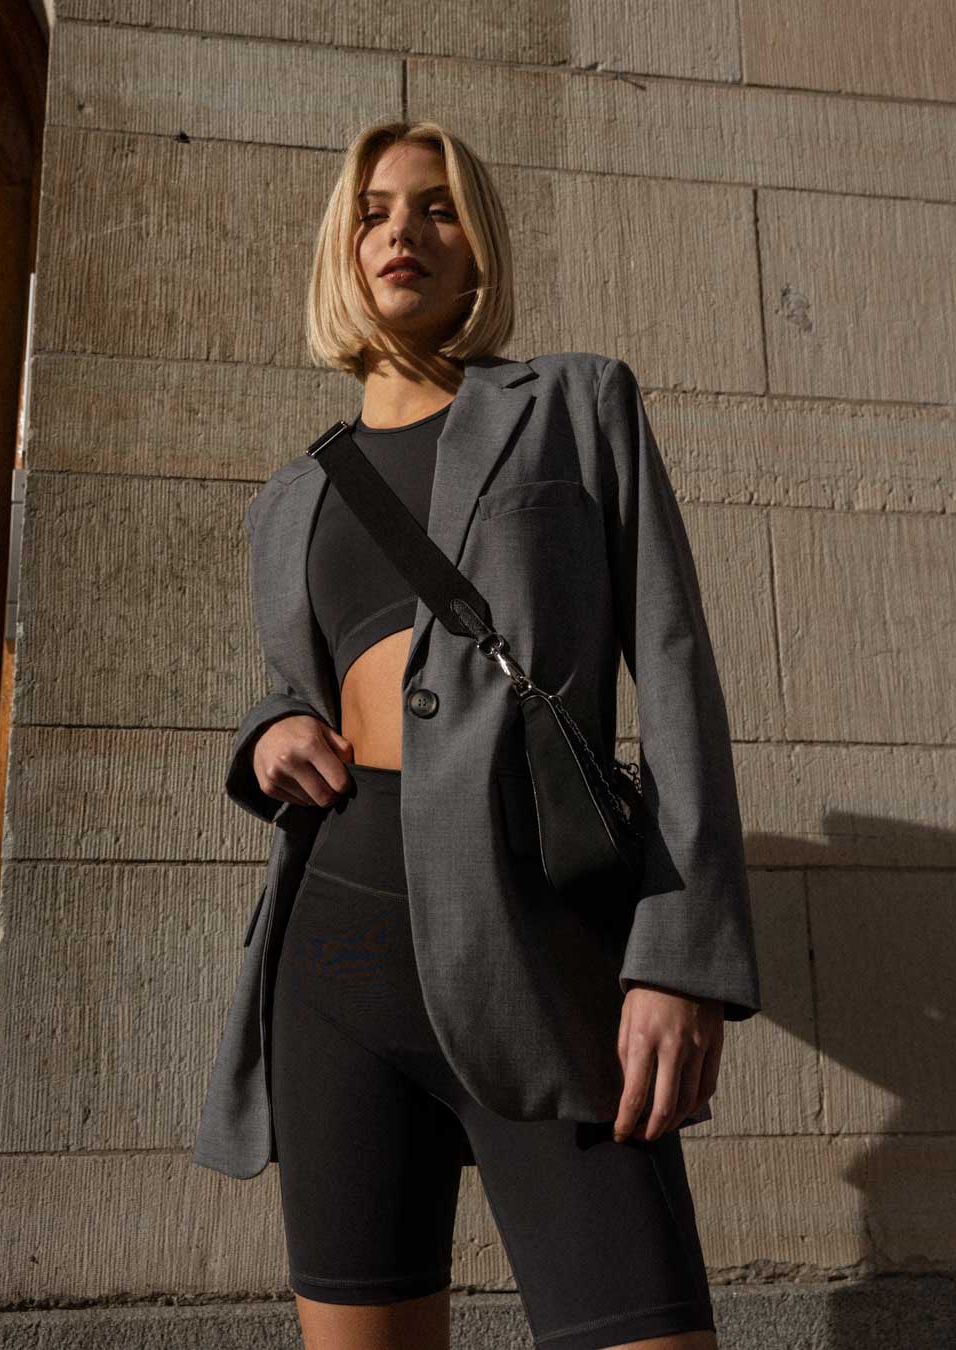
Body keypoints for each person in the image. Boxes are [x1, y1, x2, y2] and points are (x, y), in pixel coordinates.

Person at [204, 118, 762, 1350]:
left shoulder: (574, 402)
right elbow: (301, 685)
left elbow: (672, 668)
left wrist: (680, 957)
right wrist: (266, 734)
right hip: (338, 950)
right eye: (374, 210)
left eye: (438, 207)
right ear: (341, 254)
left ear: (477, 252)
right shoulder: (289, 498)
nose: (403, 229)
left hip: (542, 946)